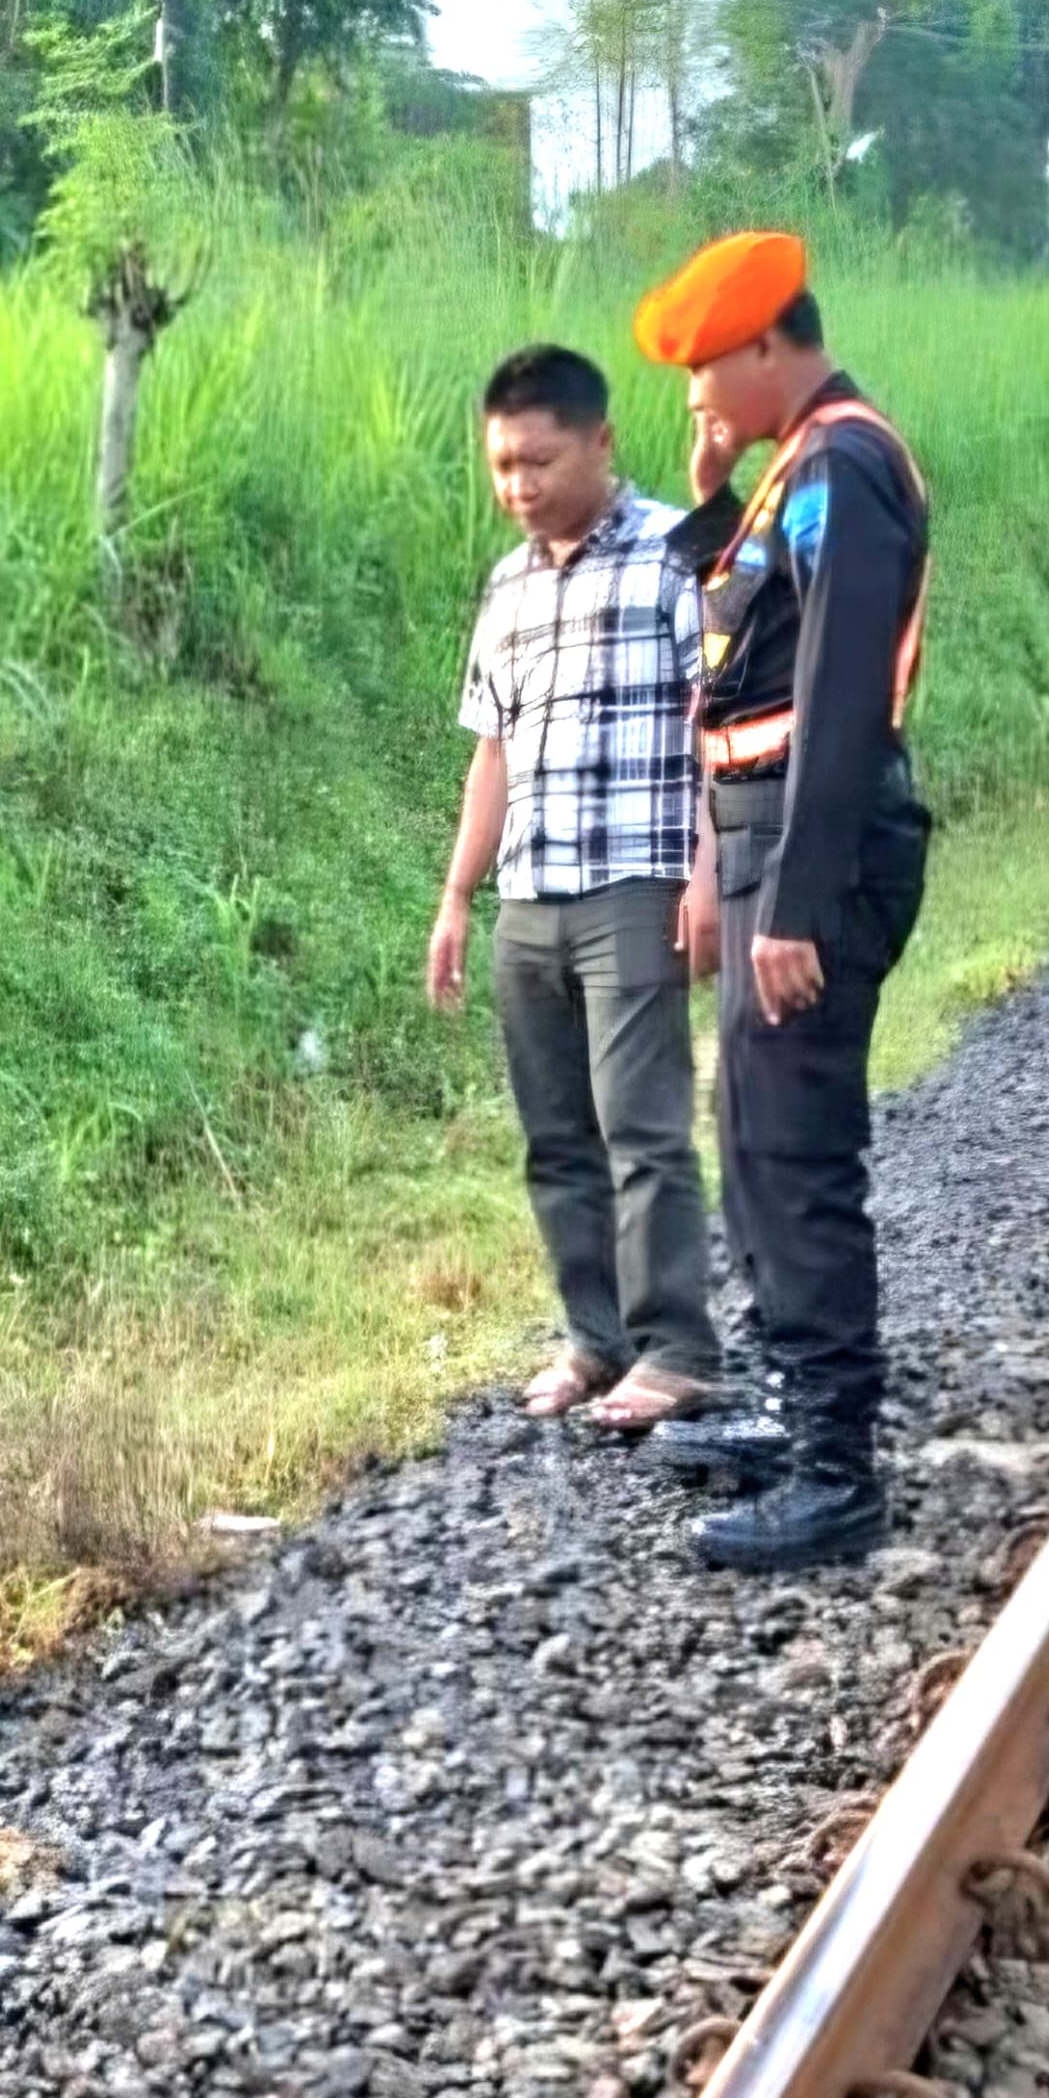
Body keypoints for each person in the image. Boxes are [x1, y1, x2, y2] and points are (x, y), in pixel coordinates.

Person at [631, 232, 934, 1574]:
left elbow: (838, 697)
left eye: (705, 371)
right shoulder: (793, 475)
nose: (693, 396)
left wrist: (796, 906)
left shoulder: (847, 466)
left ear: (770, 348)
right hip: (764, 849)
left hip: (816, 855)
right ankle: (790, 1406)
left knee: (797, 1155)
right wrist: (713, 503)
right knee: (753, 1141)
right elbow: (749, 653)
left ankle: (834, 1470)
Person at [430, 344, 725, 1437]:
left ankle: (676, 1347)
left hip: (633, 888)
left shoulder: (669, 556)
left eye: (538, 461)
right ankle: (595, 1340)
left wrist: (706, 876)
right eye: (501, 465)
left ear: (600, 442)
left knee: (639, 1127)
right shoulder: (505, 587)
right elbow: (492, 755)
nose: (517, 486)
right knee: (555, 1136)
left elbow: (717, 729)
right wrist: (459, 898)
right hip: (530, 899)